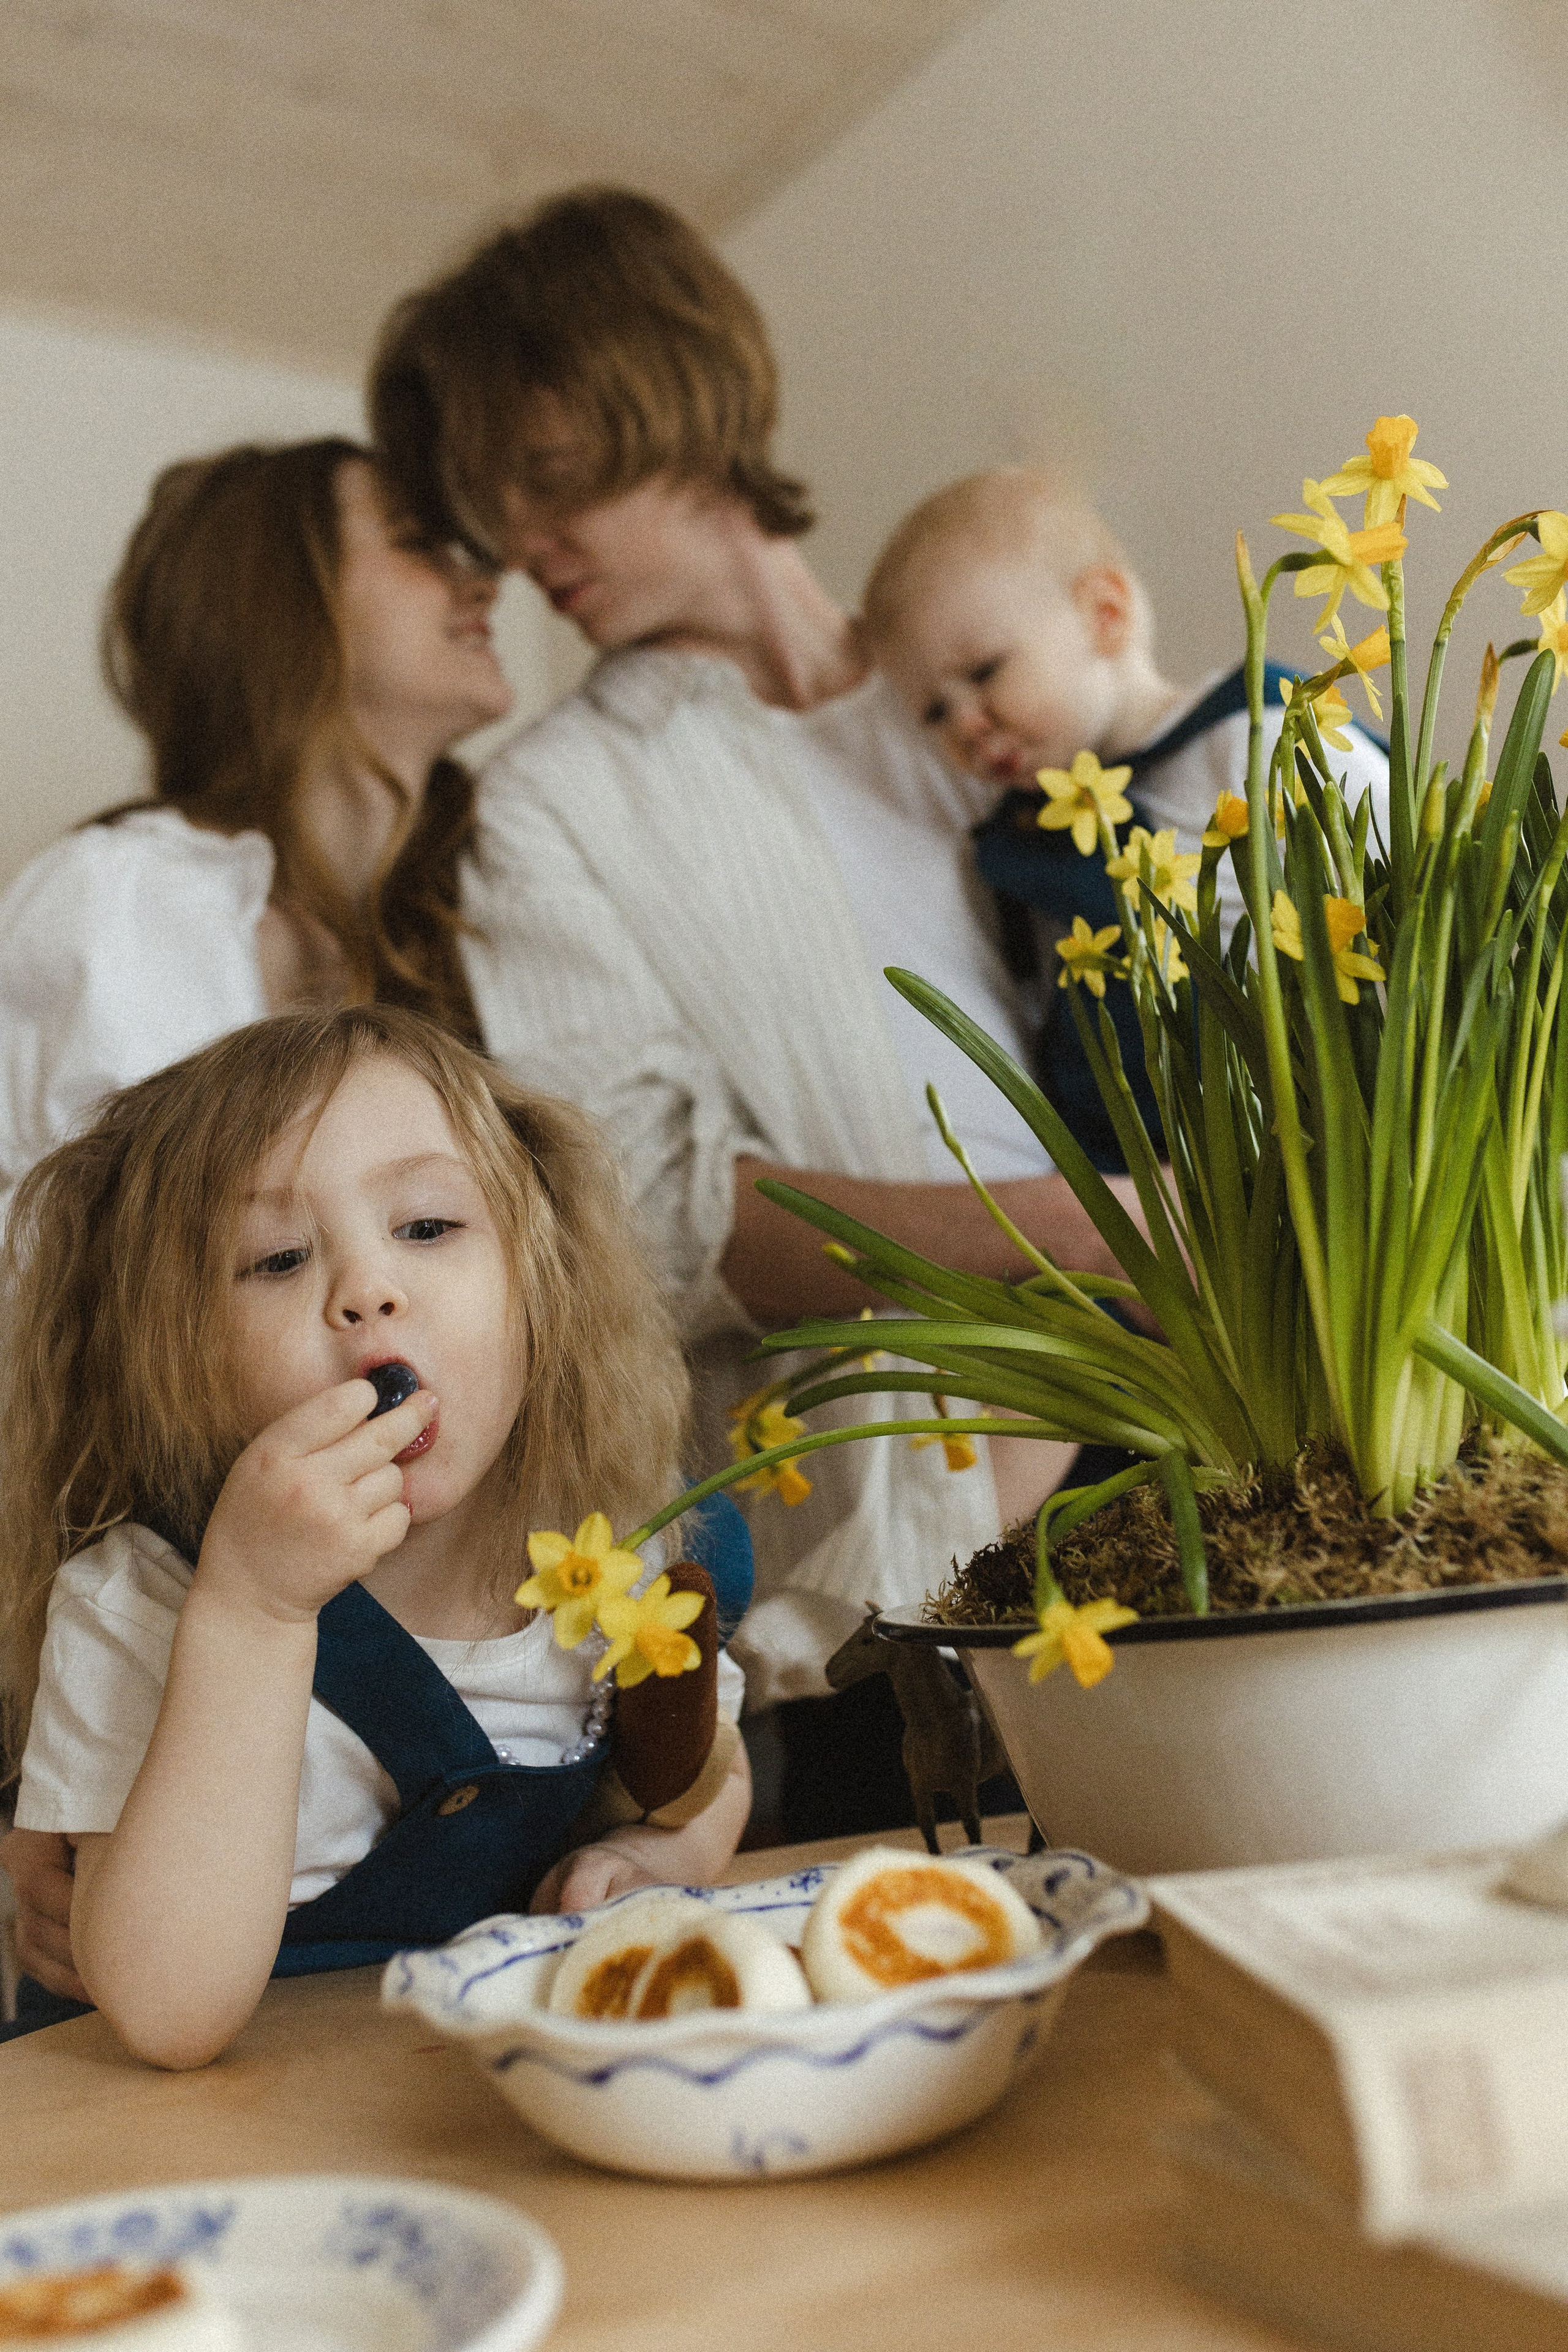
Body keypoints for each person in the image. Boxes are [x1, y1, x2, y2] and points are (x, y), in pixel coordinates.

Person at [369, 187, 1150, 1831]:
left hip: (1218, 1453)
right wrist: (1098, 1233)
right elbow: (648, 1224)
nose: (521, 538)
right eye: (486, 505)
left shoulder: (989, 670)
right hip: (917, 1600)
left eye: (542, 463)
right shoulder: (556, 806)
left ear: (669, 378)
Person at [0, 1005, 749, 2059]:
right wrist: (255, 1608)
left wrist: (663, 1859)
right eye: (277, 1259)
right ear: (172, 1355)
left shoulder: (611, 1541)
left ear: (542, 1277)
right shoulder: (145, 1604)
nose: (367, 1293)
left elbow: (707, 1763)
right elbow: (168, 2016)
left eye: (428, 1228)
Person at [861, 467, 1391, 1167]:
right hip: (1145, 1197)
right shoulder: (1025, 845)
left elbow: (1406, 893)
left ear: (1104, 615)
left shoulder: (1259, 737)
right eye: (933, 712)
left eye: (986, 671)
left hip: (1331, 1155)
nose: (965, 722)